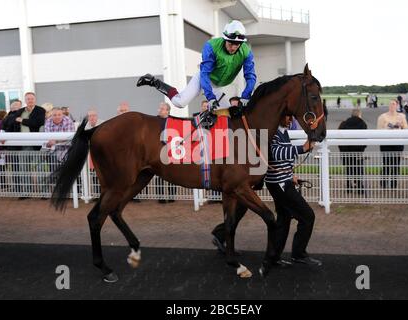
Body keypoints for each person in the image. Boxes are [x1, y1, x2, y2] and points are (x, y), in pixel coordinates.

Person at [211, 115, 321, 267]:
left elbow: (281, 156)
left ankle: (274, 256)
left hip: (282, 181)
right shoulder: (273, 132)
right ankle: (298, 254)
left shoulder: (283, 131)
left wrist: (291, 174)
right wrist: (302, 148)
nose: (291, 120)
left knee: (284, 218)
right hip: (279, 184)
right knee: (307, 216)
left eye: (291, 118)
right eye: (288, 117)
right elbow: (275, 153)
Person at [137, 20, 256, 122]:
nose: (234, 47)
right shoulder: (211, 46)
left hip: (218, 86)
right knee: (180, 103)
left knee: (230, 116)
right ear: (225, 38)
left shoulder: (246, 52)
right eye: (231, 43)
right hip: (204, 78)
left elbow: (250, 76)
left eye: (237, 44)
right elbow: (205, 74)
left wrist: (246, 96)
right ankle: (154, 81)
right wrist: (211, 98)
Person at [377, 100, 408, 189]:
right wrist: (387, 128)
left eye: (394, 104)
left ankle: (394, 184)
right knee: (386, 163)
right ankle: (384, 183)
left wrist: (401, 125)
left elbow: (406, 128)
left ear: (397, 105)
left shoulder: (402, 116)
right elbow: (378, 130)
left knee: (396, 164)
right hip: (385, 143)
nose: (392, 105)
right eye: (390, 104)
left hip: (398, 142)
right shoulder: (382, 117)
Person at [338, 109, 368, 193]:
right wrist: (362, 149)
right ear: (359, 114)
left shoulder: (343, 123)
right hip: (358, 152)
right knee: (358, 169)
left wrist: (342, 150)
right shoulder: (363, 123)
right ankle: (359, 187)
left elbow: (340, 138)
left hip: (346, 152)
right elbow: (364, 138)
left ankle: (349, 187)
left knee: (348, 169)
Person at [156, 102, 175, 203]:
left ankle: (172, 196)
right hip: (158, 149)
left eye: (162, 108)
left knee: (172, 172)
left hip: (171, 148)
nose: (159, 110)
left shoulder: (172, 120)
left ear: (167, 111)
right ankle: (161, 196)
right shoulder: (154, 120)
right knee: (159, 173)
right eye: (159, 108)